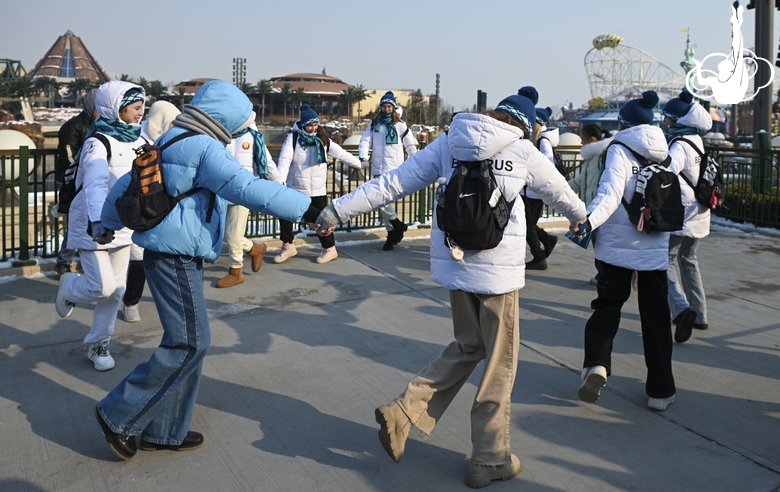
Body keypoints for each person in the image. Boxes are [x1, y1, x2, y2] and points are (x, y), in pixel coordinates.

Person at [315, 89, 586, 488]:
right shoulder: (524, 150)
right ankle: (490, 458)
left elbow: (393, 183)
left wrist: (337, 209)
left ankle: (405, 412)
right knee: (499, 366)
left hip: (457, 269)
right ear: (525, 125)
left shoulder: (449, 142)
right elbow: (561, 194)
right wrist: (581, 218)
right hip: (498, 277)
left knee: (468, 346)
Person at [94, 80, 319, 461]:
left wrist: (106, 221)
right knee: (189, 343)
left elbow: (125, 185)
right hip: (175, 257)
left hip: (169, 254)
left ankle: (165, 432)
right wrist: (308, 209)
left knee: (189, 344)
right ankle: (117, 414)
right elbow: (245, 187)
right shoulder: (204, 146)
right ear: (224, 117)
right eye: (239, 121)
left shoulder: (170, 137)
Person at [572, 90, 677, 412]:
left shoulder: (619, 149)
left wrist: (588, 222)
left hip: (616, 249)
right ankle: (660, 390)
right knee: (656, 318)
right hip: (655, 247)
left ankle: (597, 365)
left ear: (624, 123)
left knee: (607, 307)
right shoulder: (666, 151)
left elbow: (610, 193)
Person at [53, 81, 146, 371]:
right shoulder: (98, 142)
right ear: (115, 108)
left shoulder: (139, 140)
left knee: (116, 291)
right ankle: (69, 287)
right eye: (134, 106)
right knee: (101, 286)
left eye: (142, 105)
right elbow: (93, 185)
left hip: (123, 226)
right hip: (93, 227)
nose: (140, 111)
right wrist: (96, 222)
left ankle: (98, 344)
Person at [274, 104, 362, 264]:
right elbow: (284, 161)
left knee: (324, 220)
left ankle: (330, 249)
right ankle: (288, 246)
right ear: (303, 124)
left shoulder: (322, 139)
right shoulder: (293, 139)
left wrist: (359, 164)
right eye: (310, 125)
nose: (314, 128)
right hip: (297, 187)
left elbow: (341, 153)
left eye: (316, 124)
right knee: (285, 215)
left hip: (318, 189)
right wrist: (280, 181)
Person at [122, 101, 181, 322]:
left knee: (139, 255)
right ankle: (123, 300)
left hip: (151, 205)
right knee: (126, 257)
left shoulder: (167, 141)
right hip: (130, 203)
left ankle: (131, 301)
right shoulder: (134, 138)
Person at [662, 90, 713, 343]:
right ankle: (701, 313)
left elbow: (665, 177)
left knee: (666, 261)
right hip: (701, 213)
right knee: (689, 259)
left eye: (668, 118)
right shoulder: (697, 141)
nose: (665, 122)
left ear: (677, 120)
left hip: (682, 215)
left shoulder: (679, 144)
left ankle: (682, 309)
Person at [215, 120, 278, 288]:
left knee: (233, 234)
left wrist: (279, 184)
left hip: (243, 191)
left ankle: (236, 271)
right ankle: (255, 248)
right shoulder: (219, 135)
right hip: (220, 190)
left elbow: (268, 162)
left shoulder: (253, 137)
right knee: (224, 233)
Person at [358, 91, 418, 251]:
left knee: (382, 200)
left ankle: (394, 229)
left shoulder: (400, 125)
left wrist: (417, 161)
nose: (386, 109)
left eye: (389, 106)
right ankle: (394, 230)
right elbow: (365, 140)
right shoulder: (375, 123)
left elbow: (410, 145)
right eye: (384, 106)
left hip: (394, 169)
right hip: (378, 167)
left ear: (393, 107)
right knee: (381, 200)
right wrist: (363, 157)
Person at [52, 88, 98, 279]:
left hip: (88, 181)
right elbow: (69, 157)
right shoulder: (73, 127)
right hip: (71, 182)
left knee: (89, 221)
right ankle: (63, 261)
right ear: (91, 106)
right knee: (76, 222)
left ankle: (82, 256)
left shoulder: (98, 125)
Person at [569, 123, 613, 285]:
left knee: (601, 245)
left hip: (597, 208)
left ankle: (604, 276)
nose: (581, 143)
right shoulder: (592, 157)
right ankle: (604, 275)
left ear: (592, 139)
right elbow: (581, 180)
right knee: (598, 244)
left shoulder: (601, 157)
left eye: (582, 139)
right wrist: (562, 190)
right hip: (592, 207)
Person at [521, 102, 560, 270]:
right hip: (530, 190)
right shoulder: (538, 139)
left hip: (534, 191)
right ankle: (545, 240)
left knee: (526, 225)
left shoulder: (543, 141)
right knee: (526, 223)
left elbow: (547, 166)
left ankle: (539, 256)